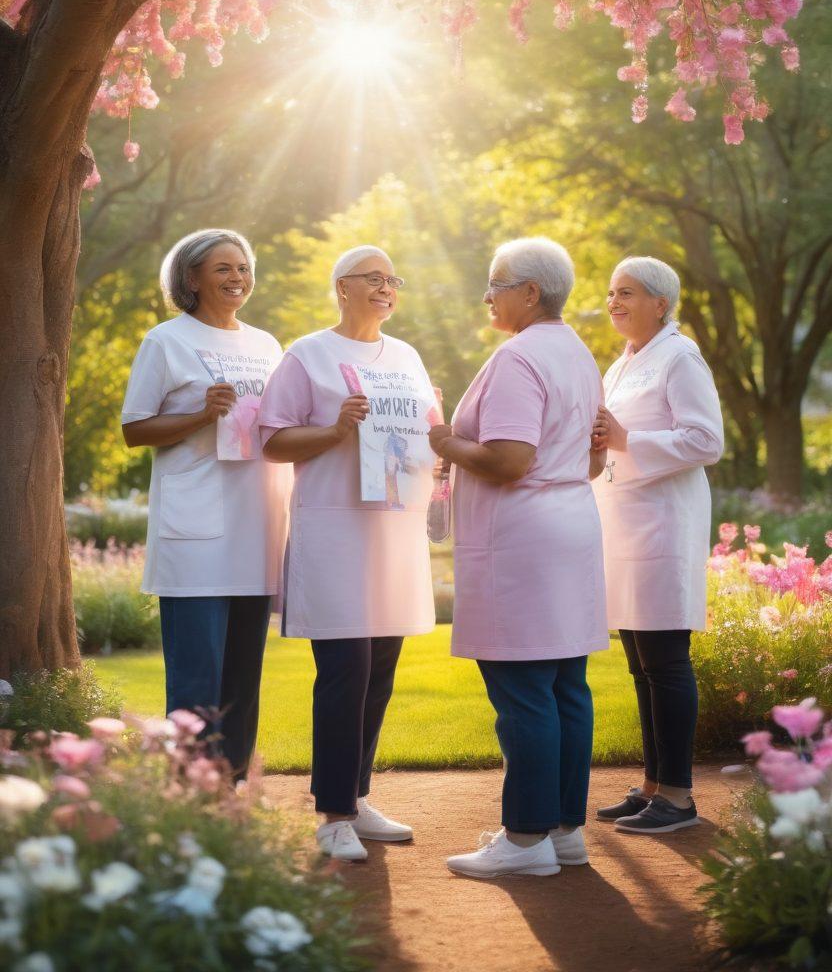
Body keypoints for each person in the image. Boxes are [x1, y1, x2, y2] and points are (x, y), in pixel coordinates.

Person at [430, 237, 608, 879]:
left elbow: (509, 460)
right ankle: (562, 831)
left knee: (523, 687)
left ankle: (525, 837)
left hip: (523, 536)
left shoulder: (518, 358)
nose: (487, 295)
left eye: (496, 283)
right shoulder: (580, 354)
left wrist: (446, 441)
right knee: (565, 683)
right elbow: (588, 452)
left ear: (530, 292)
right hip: (569, 527)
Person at [258, 246, 436, 861]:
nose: (386, 288)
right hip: (334, 530)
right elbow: (274, 440)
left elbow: (427, 430)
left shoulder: (407, 357)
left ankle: (358, 798)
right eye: (374, 278)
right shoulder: (307, 354)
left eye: (393, 278)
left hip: (392, 530)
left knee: (381, 666)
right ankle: (333, 813)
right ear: (342, 287)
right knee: (345, 669)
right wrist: (335, 430)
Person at [121, 229, 290, 780]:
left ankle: (231, 791)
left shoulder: (267, 346)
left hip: (258, 523)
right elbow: (135, 430)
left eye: (243, 267)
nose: (237, 277)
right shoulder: (166, 341)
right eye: (222, 268)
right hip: (195, 535)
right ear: (191, 278)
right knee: (196, 680)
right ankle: (187, 797)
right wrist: (199, 414)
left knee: (243, 674)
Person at [591, 256, 724, 834]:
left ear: (661, 303)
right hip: (623, 521)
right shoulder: (622, 363)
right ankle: (651, 785)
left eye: (628, 293)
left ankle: (680, 797)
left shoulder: (680, 355)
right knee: (640, 663)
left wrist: (625, 438)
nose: (614, 302)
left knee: (666, 660)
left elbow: (705, 440)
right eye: (611, 293)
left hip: (665, 524)